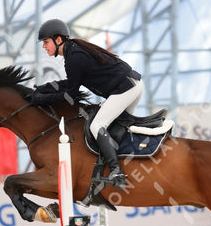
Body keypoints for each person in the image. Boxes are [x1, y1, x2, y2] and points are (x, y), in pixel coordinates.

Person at [31, 19, 143, 189]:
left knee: (97, 126)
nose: (44, 46)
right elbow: (72, 83)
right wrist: (46, 88)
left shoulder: (74, 57)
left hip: (126, 88)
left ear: (58, 39)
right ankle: (115, 166)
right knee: (114, 126)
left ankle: (117, 172)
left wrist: (42, 99)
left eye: (46, 42)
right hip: (130, 85)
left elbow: (71, 93)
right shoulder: (73, 51)